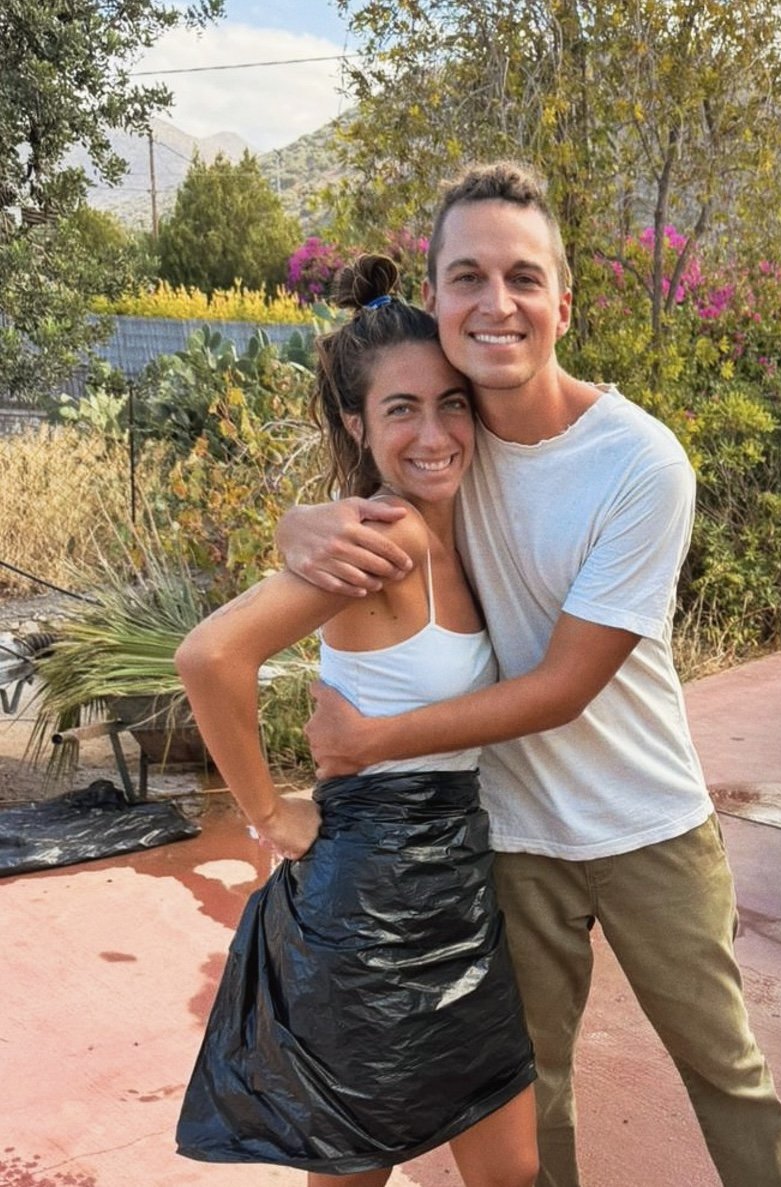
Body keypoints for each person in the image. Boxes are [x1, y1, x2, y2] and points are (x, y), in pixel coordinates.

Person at [275, 164, 781, 1187]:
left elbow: (565, 686)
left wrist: (370, 740)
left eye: (522, 276)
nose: (496, 302)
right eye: (467, 276)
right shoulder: (446, 445)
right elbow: (361, 478)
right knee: (529, 1083)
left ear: (564, 302)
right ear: (436, 298)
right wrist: (296, 524)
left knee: (725, 1070)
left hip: (647, 824)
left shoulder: (640, 463)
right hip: (509, 834)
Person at [173, 254, 538, 1187]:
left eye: (451, 403)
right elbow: (211, 656)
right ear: (356, 424)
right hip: (368, 906)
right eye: (401, 409)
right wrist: (270, 814)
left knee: (508, 1164)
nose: (435, 432)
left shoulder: (459, 525)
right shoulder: (384, 536)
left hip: (457, 882)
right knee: (354, 1170)